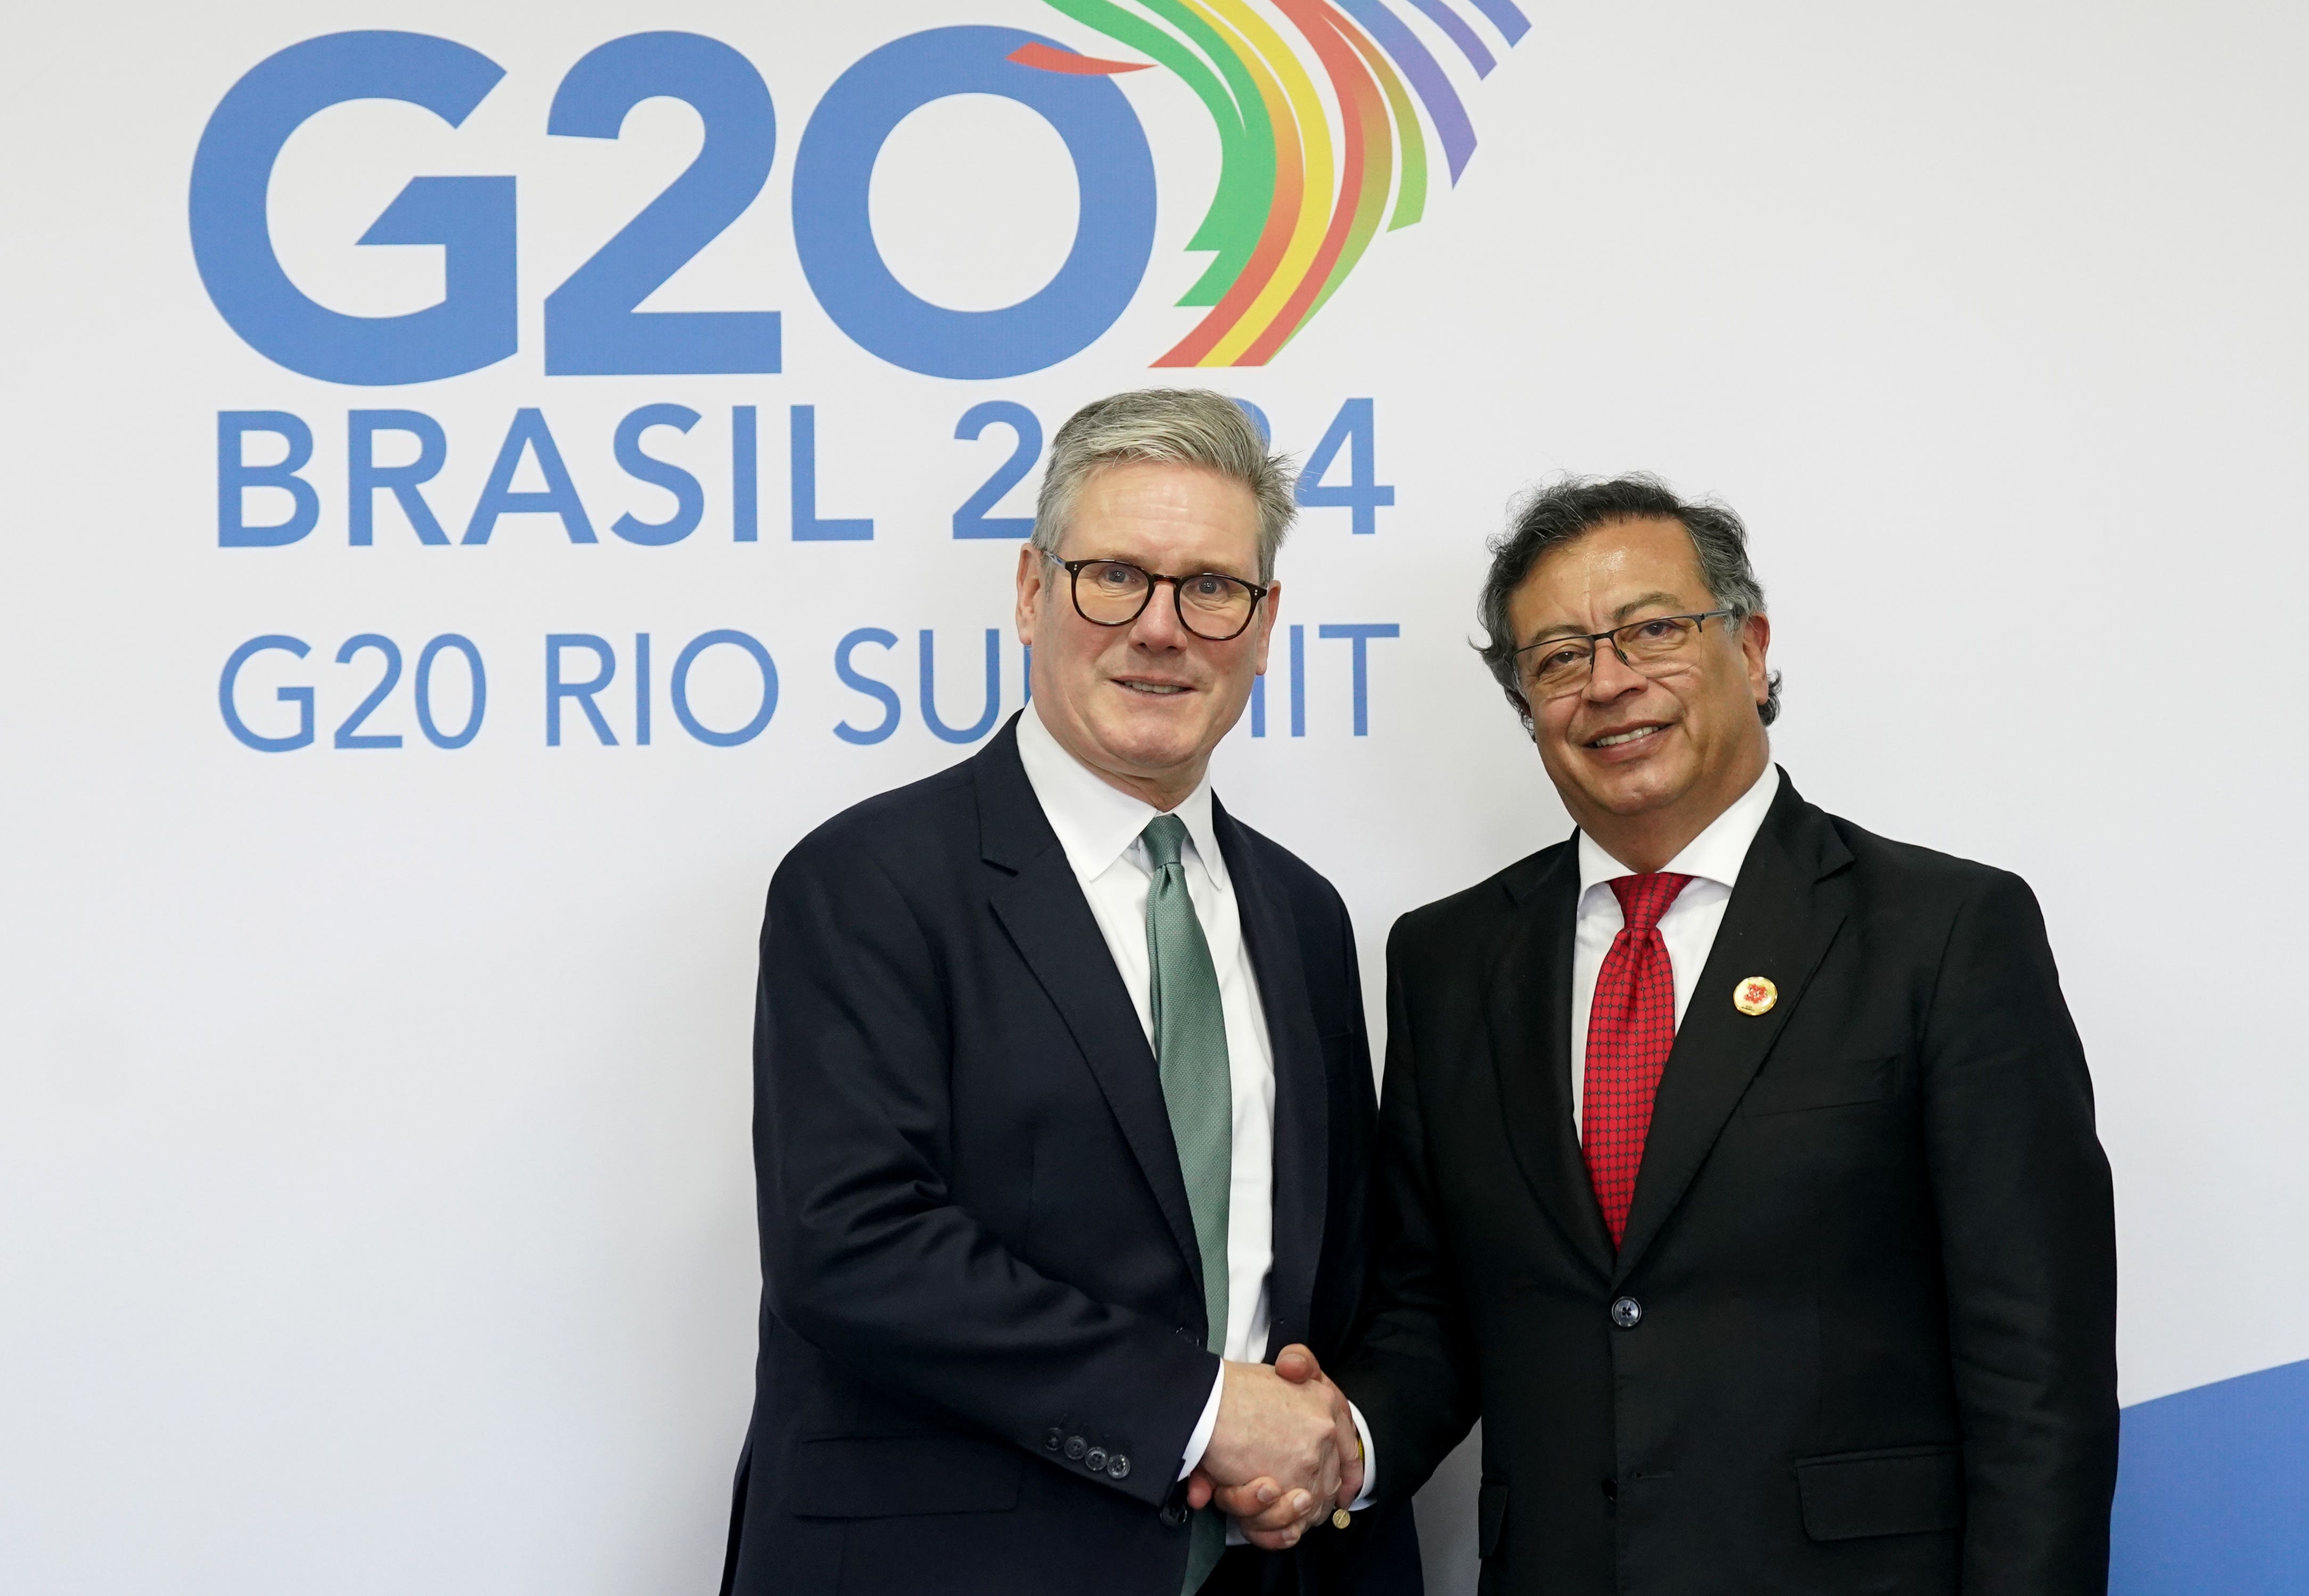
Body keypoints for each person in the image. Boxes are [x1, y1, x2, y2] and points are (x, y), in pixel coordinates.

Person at [1280, 477, 2118, 1592]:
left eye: (1653, 630)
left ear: (1752, 646)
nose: (1609, 681)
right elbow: (1432, 1308)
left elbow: (2038, 1374)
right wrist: (1340, 1441)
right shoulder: (1448, 959)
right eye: (1559, 656)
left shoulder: (1944, 932)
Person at [717, 389, 1419, 1596]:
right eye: (1114, 577)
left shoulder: (1304, 918)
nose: (1160, 627)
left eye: (1210, 588)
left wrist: (1320, 1443)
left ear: (1263, 626)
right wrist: (1205, 1412)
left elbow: (1343, 1278)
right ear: (1034, 592)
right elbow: (854, 1246)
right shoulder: (870, 880)